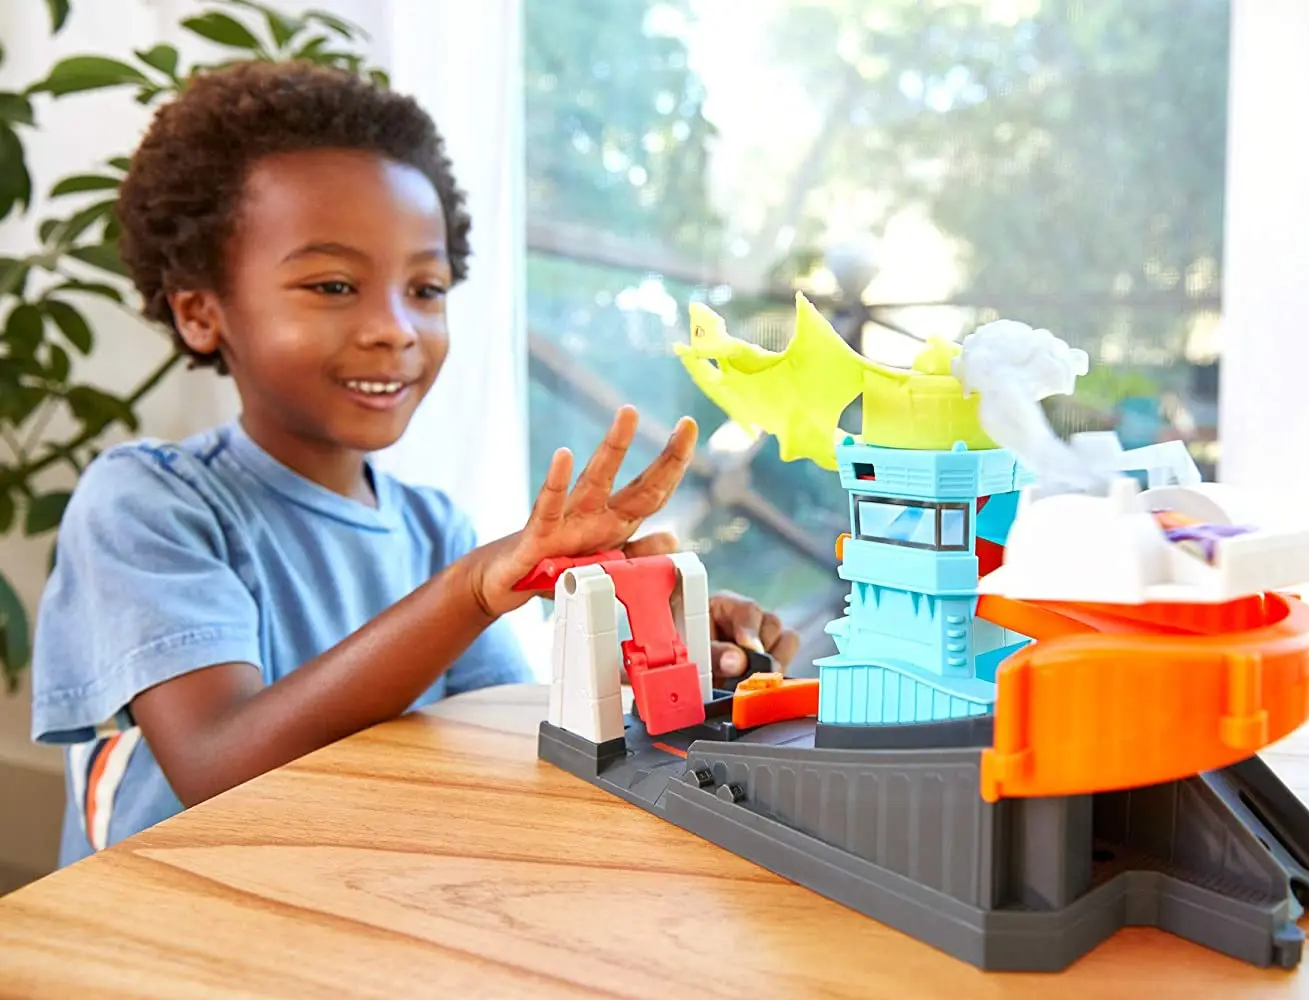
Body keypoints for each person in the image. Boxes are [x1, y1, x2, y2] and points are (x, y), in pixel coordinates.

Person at [28, 61, 800, 867]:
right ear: (200, 312)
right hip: (169, 915)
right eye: (334, 285)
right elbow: (217, 764)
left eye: (426, 289)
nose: (396, 328)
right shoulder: (148, 501)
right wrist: (469, 591)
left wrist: (668, 652)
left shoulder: (434, 528)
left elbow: (511, 737)